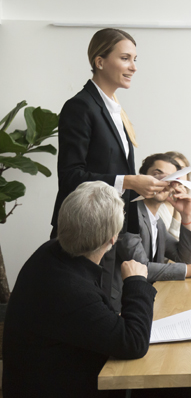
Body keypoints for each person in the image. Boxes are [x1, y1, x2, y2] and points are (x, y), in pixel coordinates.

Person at [3, 181, 156, 398]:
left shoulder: (49, 252)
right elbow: (133, 343)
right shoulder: (71, 291)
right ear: (112, 239)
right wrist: (136, 281)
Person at [51, 28, 168, 301]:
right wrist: (129, 181)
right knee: (87, 312)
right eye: (125, 58)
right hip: (85, 233)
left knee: (109, 307)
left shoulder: (115, 110)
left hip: (112, 230)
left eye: (135, 59)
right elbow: (70, 176)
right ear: (99, 61)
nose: (134, 67)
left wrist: (144, 187)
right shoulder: (80, 107)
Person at [115, 154, 191, 310]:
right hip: (123, 305)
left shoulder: (156, 221)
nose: (164, 182)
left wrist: (186, 216)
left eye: (171, 178)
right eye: (157, 175)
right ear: (142, 179)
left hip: (150, 298)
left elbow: (183, 258)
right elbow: (142, 268)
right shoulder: (128, 216)